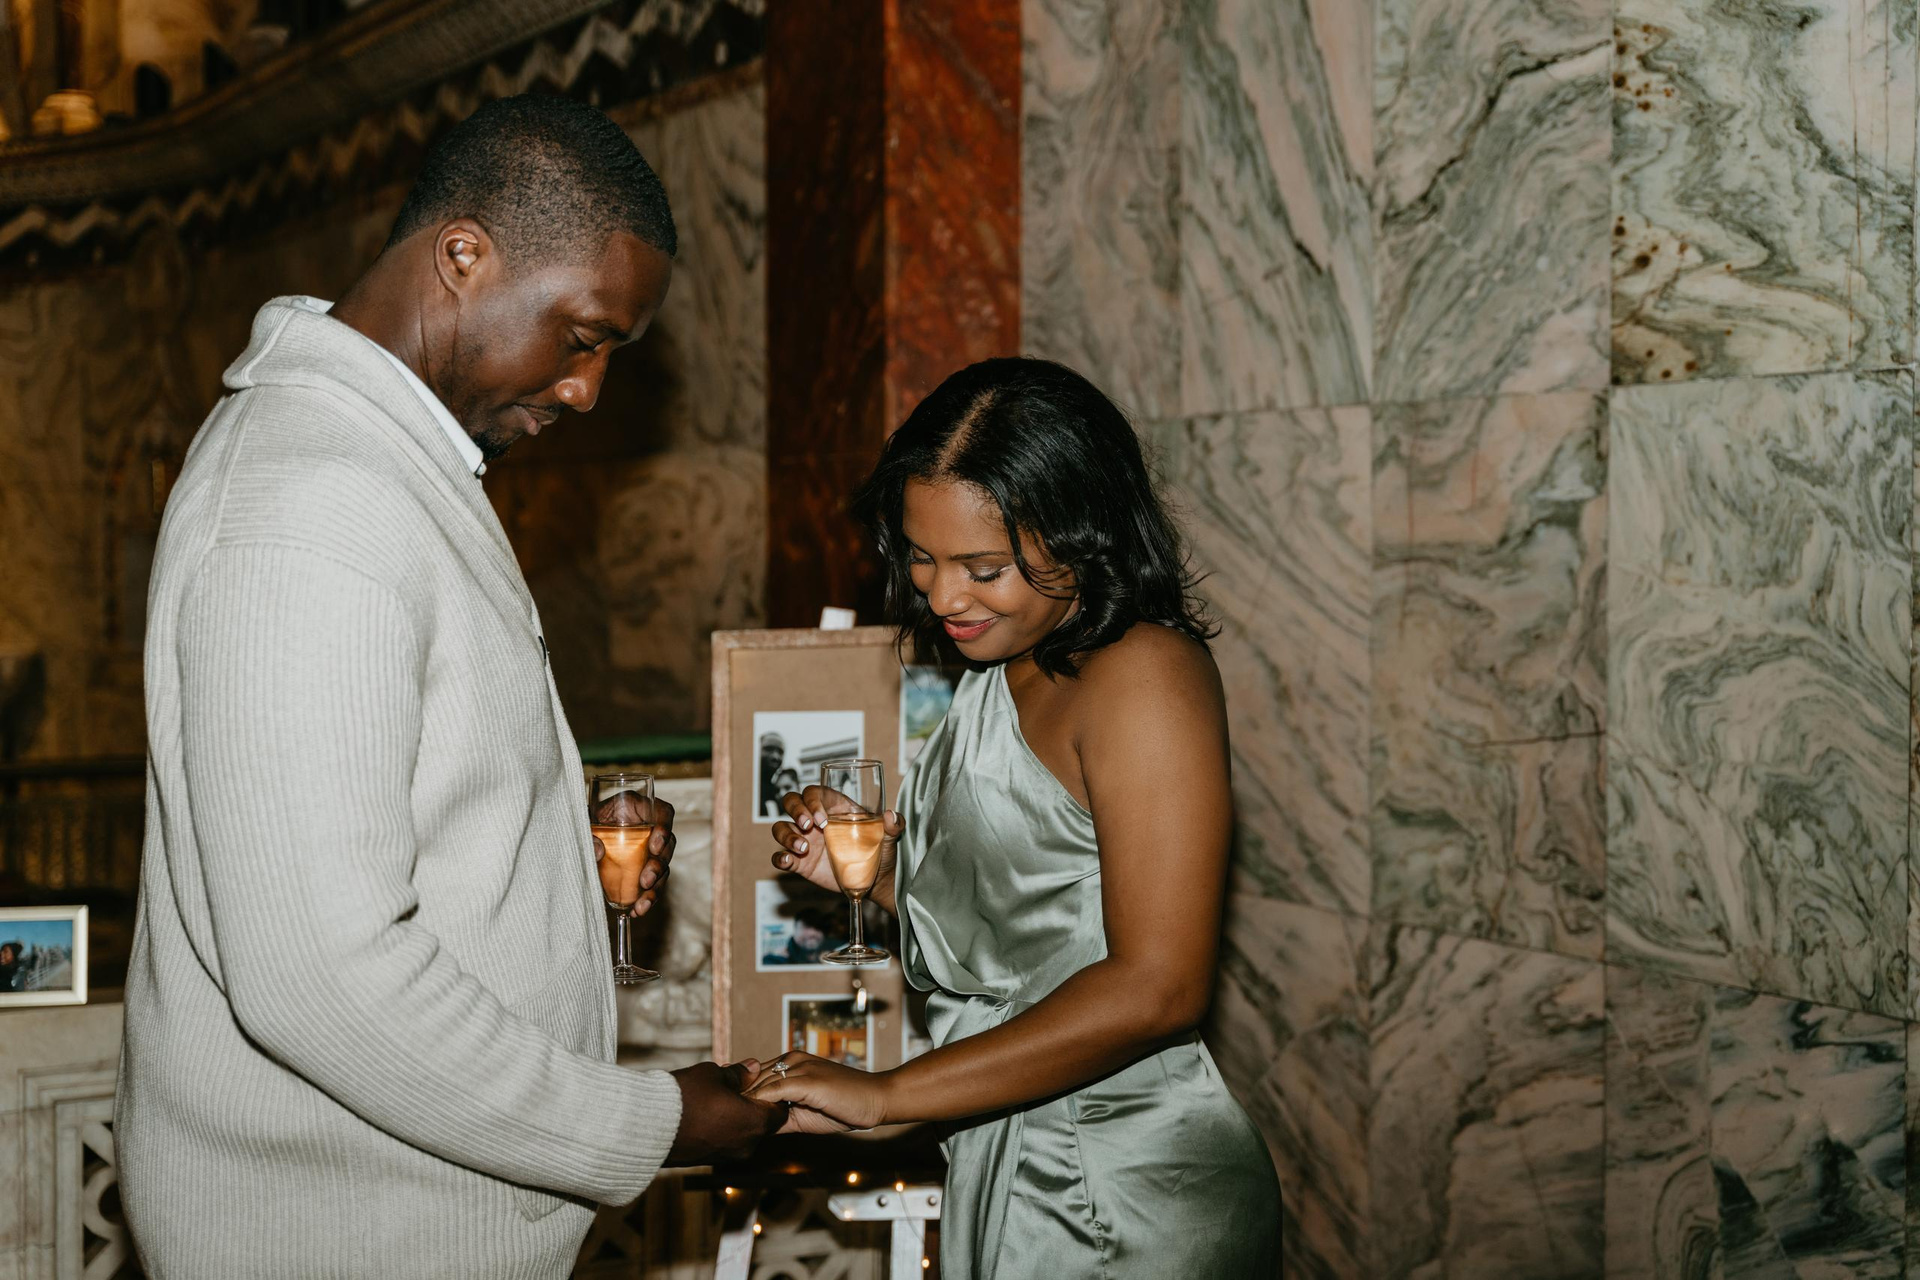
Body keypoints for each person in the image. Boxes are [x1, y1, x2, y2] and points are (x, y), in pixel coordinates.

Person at [116, 95, 782, 1279]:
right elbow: (318, 975)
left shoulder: (382, 462)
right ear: (464, 255)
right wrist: (651, 1120)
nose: (586, 391)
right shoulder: (313, 503)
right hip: (341, 1243)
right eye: (582, 336)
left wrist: (536, 854)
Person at [751, 358, 1281, 1277]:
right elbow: (1031, 930)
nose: (941, 596)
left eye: (983, 568)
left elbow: (1158, 986)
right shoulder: (1004, 666)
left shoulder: (1143, 673)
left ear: (1083, 538)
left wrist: (887, 1095)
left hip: (1117, 1188)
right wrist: (880, 872)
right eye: (920, 555)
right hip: (1012, 1154)